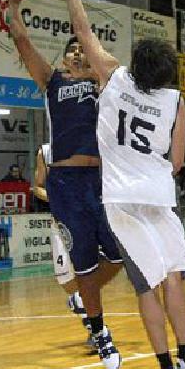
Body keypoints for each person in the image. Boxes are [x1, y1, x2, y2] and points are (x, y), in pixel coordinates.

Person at [53, 0, 185, 369]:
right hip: (158, 196)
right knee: (172, 278)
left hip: (121, 201)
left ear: (134, 62)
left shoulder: (113, 78)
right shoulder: (175, 101)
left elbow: (82, 32)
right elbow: (175, 163)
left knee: (145, 287)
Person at [6, 0, 126, 369]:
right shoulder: (52, 81)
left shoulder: (103, 83)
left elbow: (85, 32)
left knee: (119, 254)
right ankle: (100, 331)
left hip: (101, 182)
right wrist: (14, 3)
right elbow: (23, 42)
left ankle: (78, 296)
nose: (77, 52)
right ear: (63, 61)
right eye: (71, 51)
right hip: (66, 184)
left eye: (81, 50)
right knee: (86, 263)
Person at [33, 143, 123, 350]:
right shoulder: (46, 152)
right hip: (63, 219)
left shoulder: (92, 146)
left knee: (107, 262)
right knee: (66, 280)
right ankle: (83, 305)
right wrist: (57, 198)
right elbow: (38, 186)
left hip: (91, 215)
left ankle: (94, 327)